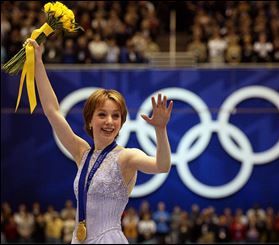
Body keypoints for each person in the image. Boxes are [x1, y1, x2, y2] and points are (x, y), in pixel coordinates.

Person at [25, 38, 173, 244]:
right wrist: (38, 63)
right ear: (90, 119)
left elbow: (162, 166)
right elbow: (52, 111)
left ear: (121, 122)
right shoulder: (81, 152)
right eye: (102, 114)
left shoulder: (126, 157)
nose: (109, 121)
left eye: (116, 116)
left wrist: (160, 130)